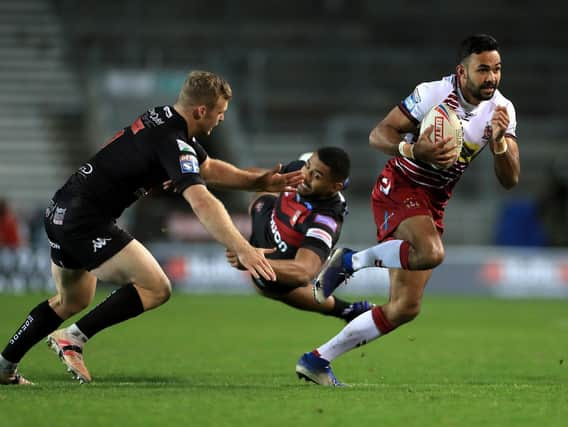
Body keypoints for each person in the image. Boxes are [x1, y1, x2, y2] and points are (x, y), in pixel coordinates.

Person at [0, 70, 303, 385]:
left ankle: (4, 366)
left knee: (71, 300)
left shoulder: (162, 118)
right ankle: (73, 338)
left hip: (61, 209)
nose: (221, 120)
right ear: (202, 111)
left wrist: (259, 180)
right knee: (156, 287)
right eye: (220, 113)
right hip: (85, 221)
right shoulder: (174, 141)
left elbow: (208, 168)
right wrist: (243, 247)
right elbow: (201, 200)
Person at [296, 34, 521, 386]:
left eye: (497, 69)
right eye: (483, 70)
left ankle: (317, 360)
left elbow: (511, 179)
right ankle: (351, 262)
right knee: (430, 251)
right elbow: (378, 134)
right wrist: (413, 150)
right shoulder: (431, 94)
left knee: (404, 307)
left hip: (434, 202)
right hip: (400, 187)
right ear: (462, 72)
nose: (491, 77)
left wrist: (499, 142)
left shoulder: (502, 111)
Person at [226, 148, 373, 322]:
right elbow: (260, 177)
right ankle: (347, 310)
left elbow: (304, 271)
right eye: (307, 166)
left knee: (267, 284)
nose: (305, 176)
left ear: (335, 187)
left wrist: (252, 259)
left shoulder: (325, 220)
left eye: (316, 176)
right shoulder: (298, 170)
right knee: (261, 189)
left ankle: (346, 310)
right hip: (266, 222)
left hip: (274, 263)